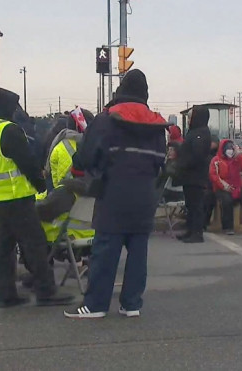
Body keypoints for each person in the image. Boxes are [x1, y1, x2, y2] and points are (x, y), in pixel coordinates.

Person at [65, 69, 169, 318]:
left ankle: (96, 305)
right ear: (145, 94)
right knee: (138, 251)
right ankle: (131, 304)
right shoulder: (157, 126)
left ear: (121, 91)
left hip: (113, 193)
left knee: (106, 251)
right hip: (145, 195)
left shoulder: (105, 120)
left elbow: (86, 157)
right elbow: (160, 162)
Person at [0, 87, 74, 308]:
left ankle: (5, 294)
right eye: (13, 106)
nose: (16, 110)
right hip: (17, 196)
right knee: (35, 243)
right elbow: (27, 163)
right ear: (5, 107)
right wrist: (41, 184)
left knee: (4, 247)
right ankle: (45, 290)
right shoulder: (9, 130)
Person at [176, 106, 211, 243]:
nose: (189, 120)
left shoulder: (201, 133)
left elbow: (198, 155)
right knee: (190, 205)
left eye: (191, 117)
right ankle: (190, 230)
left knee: (196, 206)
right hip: (189, 176)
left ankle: (197, 233)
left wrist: (184, 163)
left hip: (196, 176)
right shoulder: (194, 132)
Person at [209, 139, 242, 235]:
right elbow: (213, 175)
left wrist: (239, 156)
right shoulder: (216, 160)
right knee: (226, 201)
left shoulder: (236, 159)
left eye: (231, 149)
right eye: (228, 149)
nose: (230, 151)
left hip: (236, 187)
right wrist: (224, 186)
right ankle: (228, 227)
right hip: (221, 188)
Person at [204, 136, 220, 228]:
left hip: (212, 184)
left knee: (208, 198)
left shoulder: (216, 156)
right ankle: (204, 221)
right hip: (207, 183)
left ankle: (205, 221)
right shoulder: (206, 155)